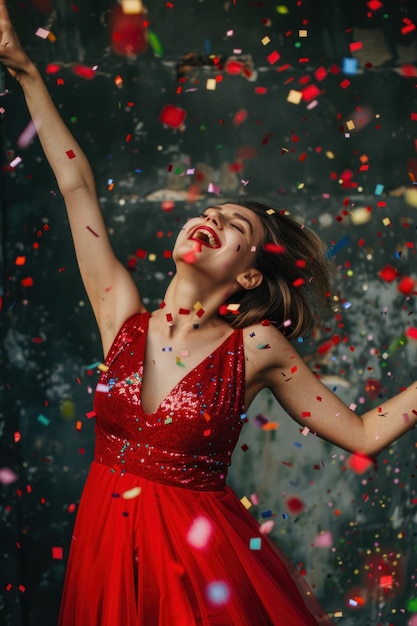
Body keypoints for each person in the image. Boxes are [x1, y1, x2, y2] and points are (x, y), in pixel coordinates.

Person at [2, 2, 417, 624]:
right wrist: (25, 71)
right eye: (211, 213)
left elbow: (363, 435)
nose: (213, 219)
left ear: (249, 273)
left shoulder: (256, 347)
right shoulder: (121, 314)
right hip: (107, 557)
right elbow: (76, 187)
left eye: (234, 227)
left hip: (198, 569)